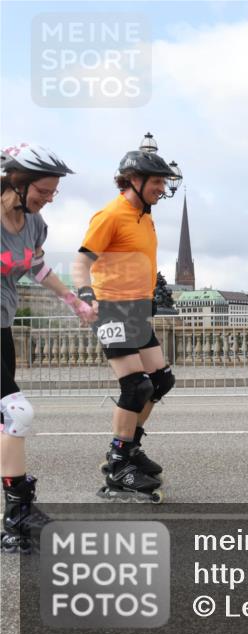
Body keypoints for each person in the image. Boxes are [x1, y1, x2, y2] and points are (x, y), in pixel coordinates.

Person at [73, 145, 180, 503]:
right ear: (134, 180)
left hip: (135, 311)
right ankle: (119, 465)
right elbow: (81, 262)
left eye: (164, 181)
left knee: (161, 381)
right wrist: (86, 295)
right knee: (135, 387)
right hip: (111, 310)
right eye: (157, 181)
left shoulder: (145, 217)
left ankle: (129, 448)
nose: (162, 188)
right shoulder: (110, 215)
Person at [1, 143, 95, 552]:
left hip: (3, 327)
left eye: (55, 191)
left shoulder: (35, 224)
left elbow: (36, 266)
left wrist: (73, 300)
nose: (50, 198)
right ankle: (17, 512)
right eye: (44, 190)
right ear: (17, 183)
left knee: (5, 420)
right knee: (16, 412)